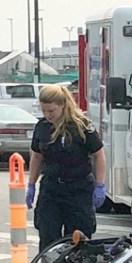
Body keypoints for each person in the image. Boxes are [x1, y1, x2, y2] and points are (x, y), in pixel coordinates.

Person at [26, 84, 106, 253]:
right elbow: (37, 156)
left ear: (63, 105)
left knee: (78, 239)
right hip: (51, 188)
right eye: (44, 111)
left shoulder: (81, 126)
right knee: (48, 237)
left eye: (51, 111)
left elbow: (99, 155)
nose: (47, 115)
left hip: (78, 188)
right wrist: (31, 185)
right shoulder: (42, 127)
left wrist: (100, 185)